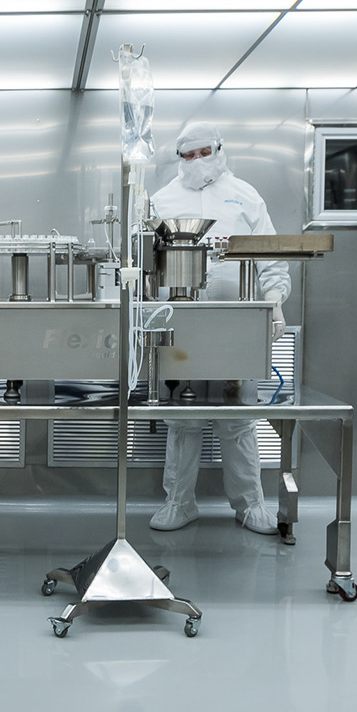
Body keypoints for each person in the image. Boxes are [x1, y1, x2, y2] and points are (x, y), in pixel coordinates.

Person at [148, 124, 289, 534]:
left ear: (219, 150)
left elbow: (271, 258)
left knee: (238, 418)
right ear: (179, 158)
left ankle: (250, 505)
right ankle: (179, 503)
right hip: (181, 325)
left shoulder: (245, 196)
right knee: (182, 418)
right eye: (188, 155)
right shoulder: (162, 201)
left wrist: (275, 304)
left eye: (204, 152)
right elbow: (145, 263)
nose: (197, 161)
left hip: (236, 325)